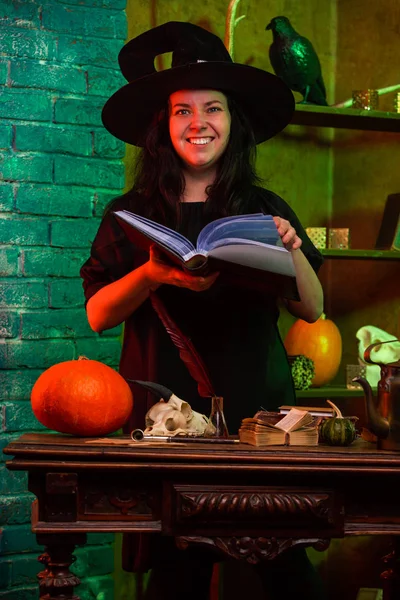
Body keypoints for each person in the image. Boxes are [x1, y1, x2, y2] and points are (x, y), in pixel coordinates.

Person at [80, 21, 326, 600]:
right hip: (165, 424)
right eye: (182, 111)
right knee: (174, 578)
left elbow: (312, 310)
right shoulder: (129, 212)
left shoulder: (264, 209)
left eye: (212, 109)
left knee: (290, 575)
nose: (198, 124)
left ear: (232, 122)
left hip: (258, 422)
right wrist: (150, 274)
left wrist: (290, 250)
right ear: (164, 126)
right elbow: (98, 316)